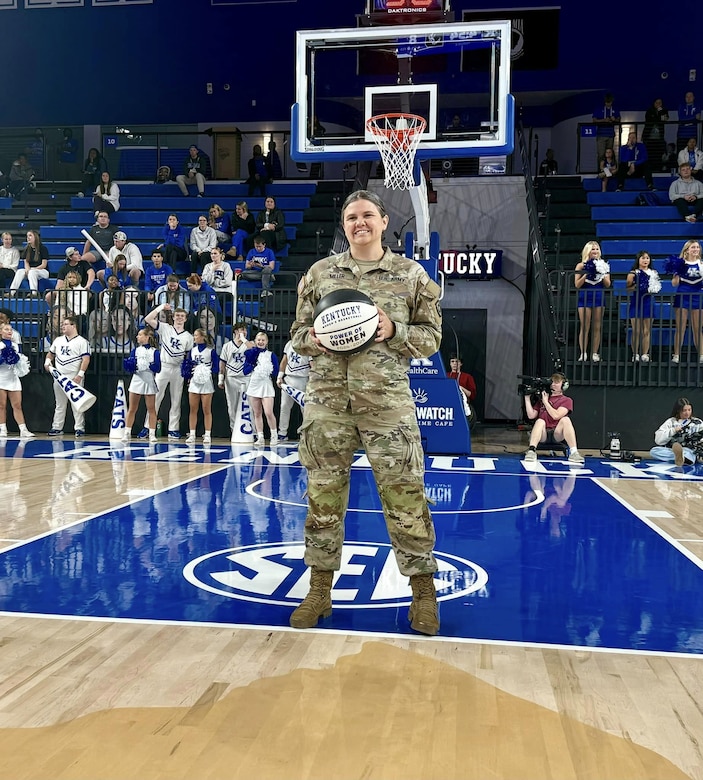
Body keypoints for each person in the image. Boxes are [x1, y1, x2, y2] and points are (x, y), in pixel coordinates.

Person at [288, 189, 442, 636]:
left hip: (388, 407)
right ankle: (318, 591)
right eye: (352, 216)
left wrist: (394, 330)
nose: (360, 222)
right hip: (328, 406)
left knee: (406, 500)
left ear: (383, 220)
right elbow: (297, 333)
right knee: (323, 501)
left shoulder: (410, 274)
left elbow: (431, 339)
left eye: (367, 215)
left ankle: (423, 596)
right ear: (344, 224)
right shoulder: (320, 274)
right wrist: (311, 341)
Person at [144, 302, 194, 439]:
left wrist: (188, 374)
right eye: (177, 315)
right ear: (173, 317)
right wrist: (160, 308)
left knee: (176, 399)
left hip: (178, 369)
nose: (179, 318)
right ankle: (148, 426)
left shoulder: (189, 337)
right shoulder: (165, 328)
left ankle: (174, 428)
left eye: (182, 316)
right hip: (164, 366)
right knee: (156, 397)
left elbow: (188, 357)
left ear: (186, 318)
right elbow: (148, 319)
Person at [44, 314, 91, 437]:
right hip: (59, 377)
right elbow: (50, 354)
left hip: (74, 377)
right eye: (62, 324)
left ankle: (79, 428)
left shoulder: (82, 342)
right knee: (60, 404)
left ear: (73, 326)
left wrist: (80, 375)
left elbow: (86, 359)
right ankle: (57, 427)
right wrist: (47, 362)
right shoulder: (58, 340)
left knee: (77, 404)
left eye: (65, 324)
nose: (63, 326)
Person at [523, 373, 585, 464]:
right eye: (552, 382)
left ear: (563, 386)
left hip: (557, 433)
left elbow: (556, 416)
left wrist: (546, 402)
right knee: (540, 421)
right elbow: (531, 415)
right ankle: (531, 451)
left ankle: (574, 452)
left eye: (557, 382)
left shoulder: (566, 400)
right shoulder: (543, 399)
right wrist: (527, 398)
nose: (553, 384)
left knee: (565, 420)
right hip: (543, 434)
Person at [123, 326, 162, 443]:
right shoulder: (135, 350)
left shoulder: (155, 352)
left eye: (140, 335)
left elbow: (158, 368)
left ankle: (152, 433)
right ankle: (127, 432)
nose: (137, 337)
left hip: (149, 379)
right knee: (132, 408)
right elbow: (130, 367)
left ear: (147, 337)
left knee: (151, 409)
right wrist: (133, 367)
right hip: (137, 380)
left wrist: (148, 365)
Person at [574, 240, 611, 362]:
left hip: (598, 296)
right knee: (585, 326)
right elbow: (577, 285)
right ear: (588, 251)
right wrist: (586, 274)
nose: (595, 251)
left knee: (597, 326)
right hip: (584, 297)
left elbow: (607, 284)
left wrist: (602, 274)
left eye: (597, 249)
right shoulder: (580, 265)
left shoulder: (604, 265)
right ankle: (583, 353)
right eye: (592, 249)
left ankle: (595, 353)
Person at [182, 328, 219, 444]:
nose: (194, 337)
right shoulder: (191, 351)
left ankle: (207, 434)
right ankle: (192, 434)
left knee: (206, 409)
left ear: (203, 337)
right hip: (194, 382)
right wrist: (190, 374)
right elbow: (187, 367)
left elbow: (216, 367)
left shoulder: (211, 351)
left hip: (206, 382)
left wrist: (204, 370)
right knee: (193, 409)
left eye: (196, 335)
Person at [243, 331, 279, 447]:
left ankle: (274, 435)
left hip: (266, 384)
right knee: (257, 413)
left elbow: (276, 371)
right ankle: (260, 437)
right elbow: (245, 371)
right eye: (259, 340)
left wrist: (266, 369)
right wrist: (254, 365)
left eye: (263, 340)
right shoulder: (251, 354)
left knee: (268, 412)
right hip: (254, 384)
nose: (260, 342)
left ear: (266, 342)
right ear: (255, 341)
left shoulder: (271, 355)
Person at [669, 239, 703, 363]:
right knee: (680, 327)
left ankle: (701, 355)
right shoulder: (680, 264)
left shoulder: (702, 264)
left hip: (698, 296)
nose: (696, 249)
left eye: (697, 247)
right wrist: (678, 272)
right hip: (682, 295)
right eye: (693, 247)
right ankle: (676, 355)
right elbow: (674, 284)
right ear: (687, 250)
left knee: (697, 328)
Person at [218, 323, 254, 438]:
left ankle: (251, 431)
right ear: (235, 332)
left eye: (245, 330)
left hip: (246, 378)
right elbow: (222, 363)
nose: (243, 332)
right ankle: (234, 430)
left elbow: (253, 350)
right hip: (231, 378)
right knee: (232, 406)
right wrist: (221, 378)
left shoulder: (249, 344)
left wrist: (244, 340)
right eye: (241, 330)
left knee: (249, 405)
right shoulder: (227, 346)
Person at [0, 322, 34, 439]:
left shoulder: (15, 345)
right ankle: (2, 429)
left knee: (17, 405)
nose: (9, 331)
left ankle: (23, 429)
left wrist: (16, 359)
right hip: (1, 378)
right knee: (1, 405)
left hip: (13, 378)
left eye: (10, 329)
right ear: (0, 332)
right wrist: (3, 357)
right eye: (6, 329)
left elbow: (19, 360)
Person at [626, 251, 661, 363]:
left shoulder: (653, 273)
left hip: (649, 302)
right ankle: (635, 354)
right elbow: (628, 289)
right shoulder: (633, 273)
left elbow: (656, 287)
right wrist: (637, 286)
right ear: (638, 260)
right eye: (643, 258)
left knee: (647, 330)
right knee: (636, 330)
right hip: (636, 302)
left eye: (647, 258)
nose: (645, 260)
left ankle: (645, 354)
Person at [276, 336, 311, 442]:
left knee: (305, 408)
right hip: (288, 379)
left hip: (303, 379)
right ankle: (282, 433)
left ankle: (305, 434)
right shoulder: (289, 343)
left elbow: (312, 364)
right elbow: (284, 361)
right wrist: (279, 376)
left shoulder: (308, 344)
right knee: (284, 407)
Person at [650, 397, 703, 467]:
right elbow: (658, 440)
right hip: (672, 449)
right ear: (678, 411)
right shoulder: (671, 422)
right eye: (684, 410)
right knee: (654, 451)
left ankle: (682, 457)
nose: (687, 413)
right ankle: (681, 457)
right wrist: (673, 430)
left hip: (690, 450)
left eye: (689, 410)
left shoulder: (697, 422)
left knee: (689, 453)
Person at [9, 229, 49, 297]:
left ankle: (34, 293)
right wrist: (27, 269)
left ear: (35, 237)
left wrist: (32, 269)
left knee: (32, 272)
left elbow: (44, 265)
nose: (28, 237)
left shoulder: (42, 248)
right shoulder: (27, 249)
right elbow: (26, 262)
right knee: (20, 271)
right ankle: (11, 293)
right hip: (31, 271)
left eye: (30, 235)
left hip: (42, 271)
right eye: (27, 236)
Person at [81, 211, 119, 276]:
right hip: (97, 251)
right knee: (83, 259)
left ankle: (110, 277)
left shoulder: (114, 229)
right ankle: (90, 275)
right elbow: (88, 242)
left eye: (105, 217)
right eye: (101, 216)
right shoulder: (94, 229)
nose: (103, 218)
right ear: (97, 219)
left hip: (109, 251)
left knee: (111, 262)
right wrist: (84, 254)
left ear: (108, 220)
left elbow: (118, 241)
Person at [185, 273, 221, 339]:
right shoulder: (192, 292)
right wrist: (195, 311)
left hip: (212, 313)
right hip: (199, 313)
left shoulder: (208, 289)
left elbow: (213, 304)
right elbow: (192, 306)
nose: (188, 288)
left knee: (199, 318)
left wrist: (201, 311)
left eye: (190, 286)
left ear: (196, 284)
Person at [447, 355, 477, 426]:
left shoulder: (467, 377)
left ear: (461, 364)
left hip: (463, 405)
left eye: (457, 361)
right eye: (452, 361)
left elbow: (472, 395)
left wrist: (461, 388)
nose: (454, 363)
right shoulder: (446, 376)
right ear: (450, 363)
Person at [592, 93, 620, 167]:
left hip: (610, 134)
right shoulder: (599, 108)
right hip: (601, 135)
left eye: (609, 102)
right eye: (607, 102)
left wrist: (615, 119)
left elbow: (619, 119)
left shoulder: (615, 109)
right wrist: (603, 120)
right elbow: (594, 120)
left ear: (612, 101)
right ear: (604, 102)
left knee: (610, 154)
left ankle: (610, 171)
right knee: (601, 154)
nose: (608, 104)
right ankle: (601, 171)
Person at [642, 98, 669, 167]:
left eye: (660, 103)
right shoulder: (649, 111)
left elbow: (665, 119)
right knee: (649, 154)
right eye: (656, 102)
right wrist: (659, 118)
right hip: (649, 137)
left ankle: (657, 169)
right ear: (654, 103)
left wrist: (660, 112)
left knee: (658, 154)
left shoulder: (664, 111)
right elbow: (650, 119)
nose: (658, 104)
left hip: (659, 138)